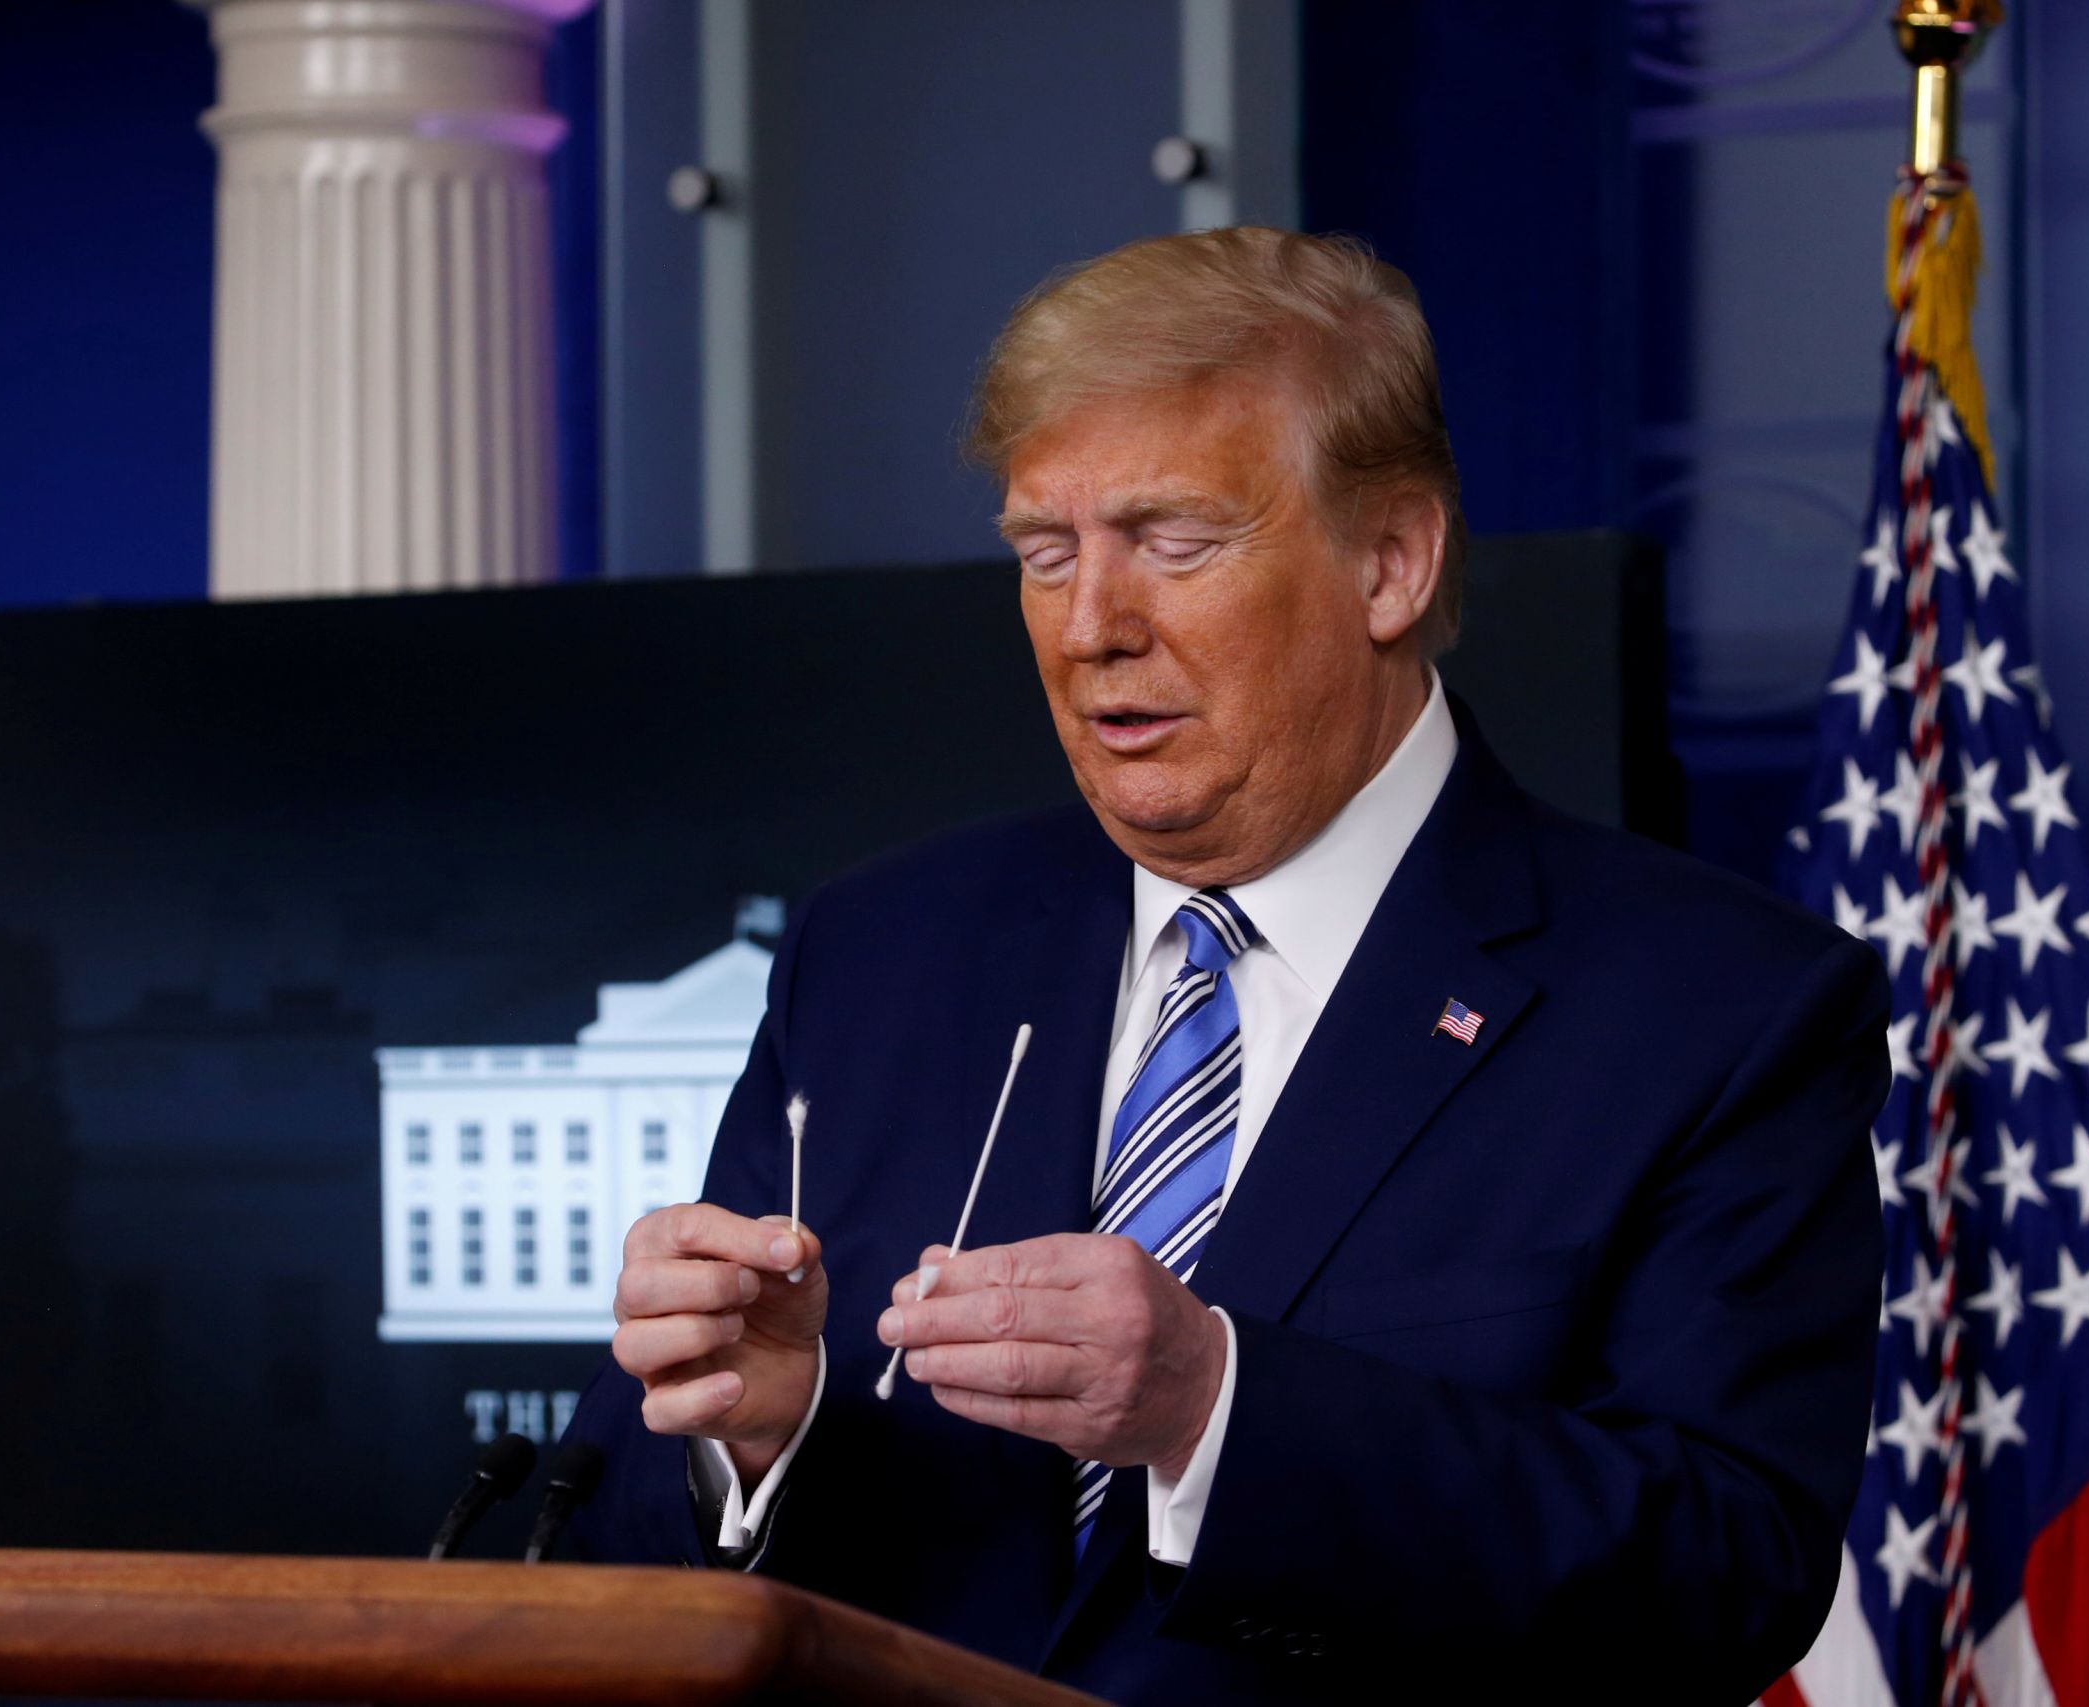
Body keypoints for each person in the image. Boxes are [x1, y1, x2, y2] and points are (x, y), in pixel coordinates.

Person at [557, 227, 1887, 1703]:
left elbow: (1722, 1575)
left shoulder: (1717, 1006)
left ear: (1390, 562)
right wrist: (759, 1442)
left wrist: (1216, 1409)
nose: (1089, 628)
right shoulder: (878, 953)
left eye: (1174, 543)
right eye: (1045, 554)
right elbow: (605, 1553)